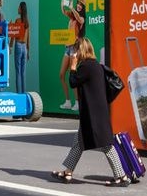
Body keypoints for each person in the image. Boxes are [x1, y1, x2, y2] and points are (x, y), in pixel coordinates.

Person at [50, 37, 130, 187]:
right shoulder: (95, 66)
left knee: (106, 145)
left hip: (94, 114)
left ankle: (122, 177)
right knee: (79, 142)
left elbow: (73, 82)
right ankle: (68, 172)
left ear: (81, 50)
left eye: (75, 50)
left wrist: (73, 66)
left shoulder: (86, 67)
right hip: (96, 112)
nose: (74, 53)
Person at [57, 0, 87, 110]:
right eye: (78, 3)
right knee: (61, 74)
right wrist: (63, 4)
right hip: (67, 47)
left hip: (75, 48)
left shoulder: (82, 18)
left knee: (72, 75)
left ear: (83, 7)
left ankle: (78, 102)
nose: (79, 5)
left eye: (81, 5)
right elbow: (64, 11)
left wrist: (72, 8)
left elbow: (79, 19)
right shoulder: (72, 16)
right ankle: (68, 101)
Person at [9, 1, 31, 93]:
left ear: (21, 10)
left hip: (18, 46)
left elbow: (13, 35)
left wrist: (10, 46)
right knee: (23, 72)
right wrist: (28, 50)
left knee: (18, 72)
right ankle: (24, 93)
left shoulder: (17, 21)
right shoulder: (27, 22)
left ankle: (19, 94)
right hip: (24, 47)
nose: (17, 9)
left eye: (19, 7)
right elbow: (28, 37)